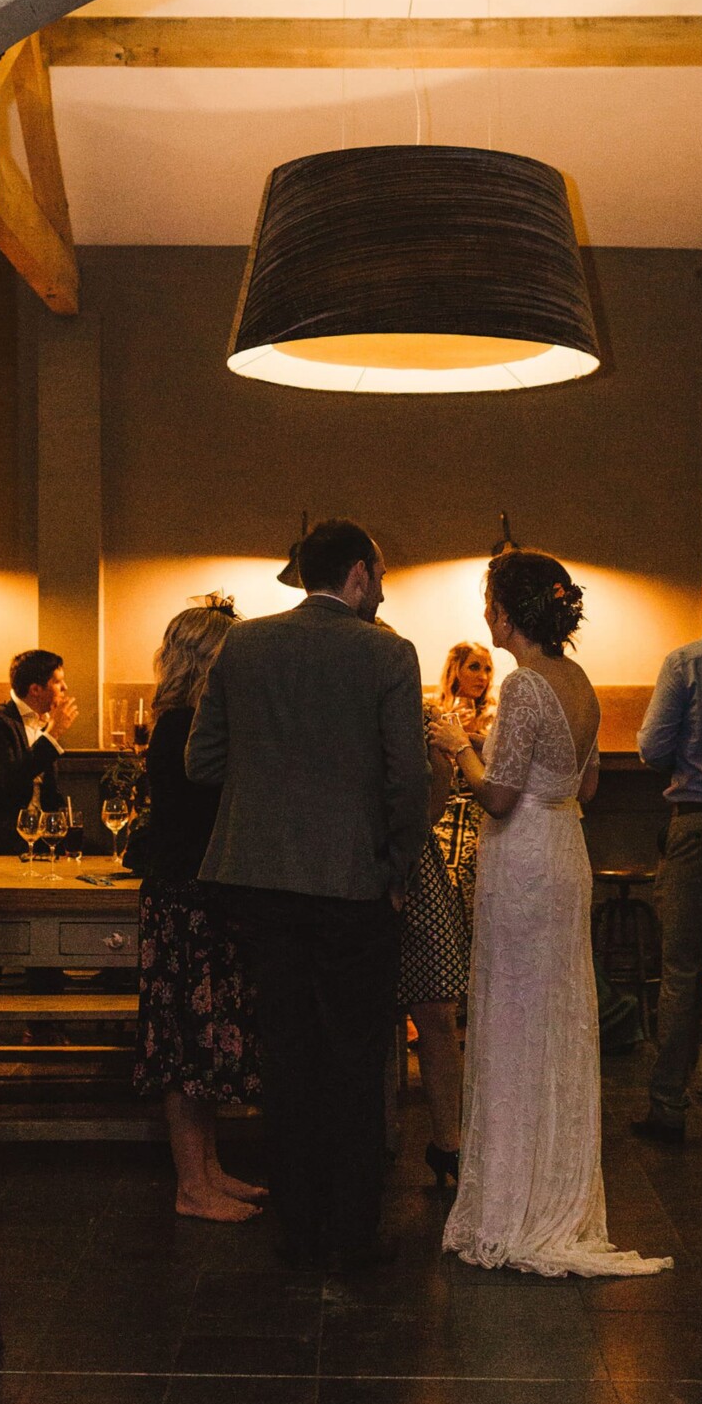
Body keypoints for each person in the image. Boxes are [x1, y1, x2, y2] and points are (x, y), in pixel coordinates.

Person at [185, 519, 429, 1271]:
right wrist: (396, 872)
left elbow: (202, 761)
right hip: (354, 883)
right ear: (357, 573)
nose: (381, 590)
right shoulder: (388, 652)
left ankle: (297, 1226)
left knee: (286, 1056)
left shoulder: (244, 644)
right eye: (380, 575)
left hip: (261, 883)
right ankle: (350, 1230)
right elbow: (407, 780)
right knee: (355, 1059)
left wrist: (269, 785)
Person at [430, 550, 672, 1280]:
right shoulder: (579, 680)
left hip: (524, 856)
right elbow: (586, 785)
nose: (486, 614)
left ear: (509, 613)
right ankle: (552, 1190)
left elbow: (499, 796)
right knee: (555, 1015)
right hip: (565, 845)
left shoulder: (526, 683)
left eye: (490, 602)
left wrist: (458, 746)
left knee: (512, 1016)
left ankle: (512, 1204)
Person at [132, 600, 266, 1223]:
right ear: (205, 660)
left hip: (196, 896)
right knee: (186, 1044)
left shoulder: (188, 721)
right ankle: (192, 1185)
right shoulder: (182, 725)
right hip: (186, 900)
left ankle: (209, 1169)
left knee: (205, 1040)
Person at [632, 555, 702, 1147]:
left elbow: (651, 748)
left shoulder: (686, 662)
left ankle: (669, 1105)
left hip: (697, 824)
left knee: (682, 970)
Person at [399, 702, 470, 1190]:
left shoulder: (420, 717)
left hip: (413, 866)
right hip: (360, 861)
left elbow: (433, 808)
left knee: (438, 1009)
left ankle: (450, 1143)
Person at [0, 649, 77, 852]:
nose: (65, 687)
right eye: (58, 682)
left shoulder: (46, 722)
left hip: (46, 841)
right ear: (35, 689)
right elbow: (8, 781)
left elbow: (49, 792)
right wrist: (52, 734)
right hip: (6, 843)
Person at [432, 642, 496, 934]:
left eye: (487, 669)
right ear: (455, 670)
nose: (483, 676)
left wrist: (472, 740)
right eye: (474, 667)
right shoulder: (434, 712)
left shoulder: (495, 717)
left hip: (479, 814)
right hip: (442, 812)